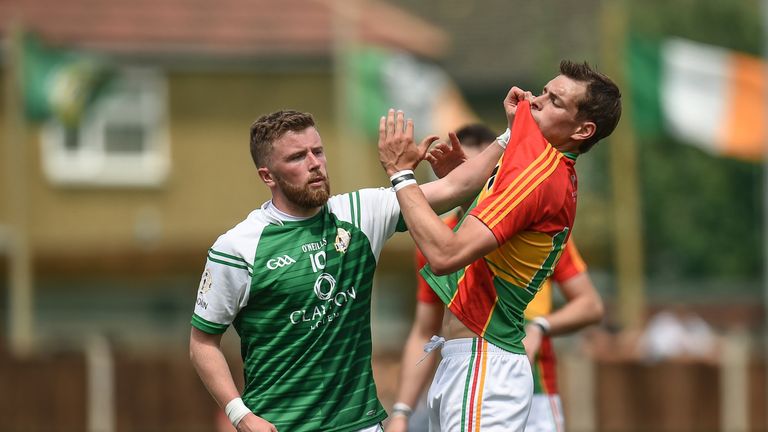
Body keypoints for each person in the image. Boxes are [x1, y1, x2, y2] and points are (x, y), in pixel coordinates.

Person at [189, 109, 506, 432]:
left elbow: (456, 187)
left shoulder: (359, 213)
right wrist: (240, 416)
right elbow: (202, 342)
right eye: (298, 157)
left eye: (318, 151)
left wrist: (512, 133)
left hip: (360, 423)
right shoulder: (238, 247)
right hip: (279, 425)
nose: (315, 163)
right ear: (268, 176)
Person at [377, 60, 621, 431]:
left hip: (483, 362)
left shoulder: (539, 174)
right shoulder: (543, 169)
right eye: (542, 91)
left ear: (583, 130)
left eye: (554, 102)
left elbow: (445, 255)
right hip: (475, 360)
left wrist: (400, 174)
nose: (535, 101)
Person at [389, 236, 603, 432]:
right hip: (464, 390)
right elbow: (424, 332)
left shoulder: (537, 223)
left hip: (536, 391)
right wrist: (401, 412)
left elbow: (590, 304)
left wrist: (539, 326)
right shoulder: (437, 235)